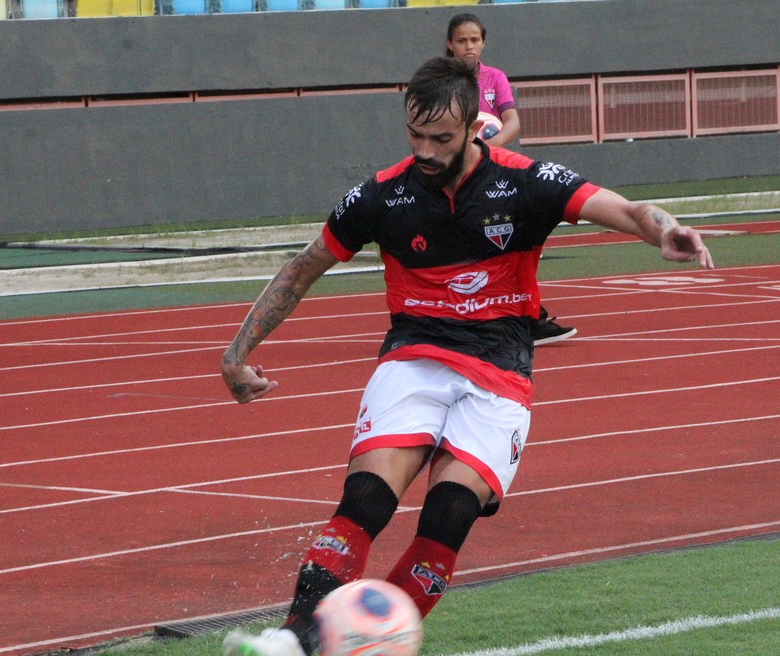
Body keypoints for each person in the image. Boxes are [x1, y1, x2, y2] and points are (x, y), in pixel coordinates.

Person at [219, 55, 714, 656]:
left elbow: (632, 211)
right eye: (415, 134)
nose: (425, 150)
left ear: (475, 127)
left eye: (441, 138)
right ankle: (296, 640)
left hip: (502, 372)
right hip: (415, 359)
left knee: (449, 515)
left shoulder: (526, 181)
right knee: (367, 499)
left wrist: (664, 229)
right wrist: (237, 352)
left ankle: (366, 641)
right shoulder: (380, 196)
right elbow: (301, 270)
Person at [445, 12, 576, 346]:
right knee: (462, 247)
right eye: (462, 40)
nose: (469, 46)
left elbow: (513, 122)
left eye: (474, 40)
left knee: (519, 240)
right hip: (454, 178)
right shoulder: (442, 81)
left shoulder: (494, 78)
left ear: (483, 42)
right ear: (450, 44)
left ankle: (528, 318)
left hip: (496, 172)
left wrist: (488, 148)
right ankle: (459, 318)